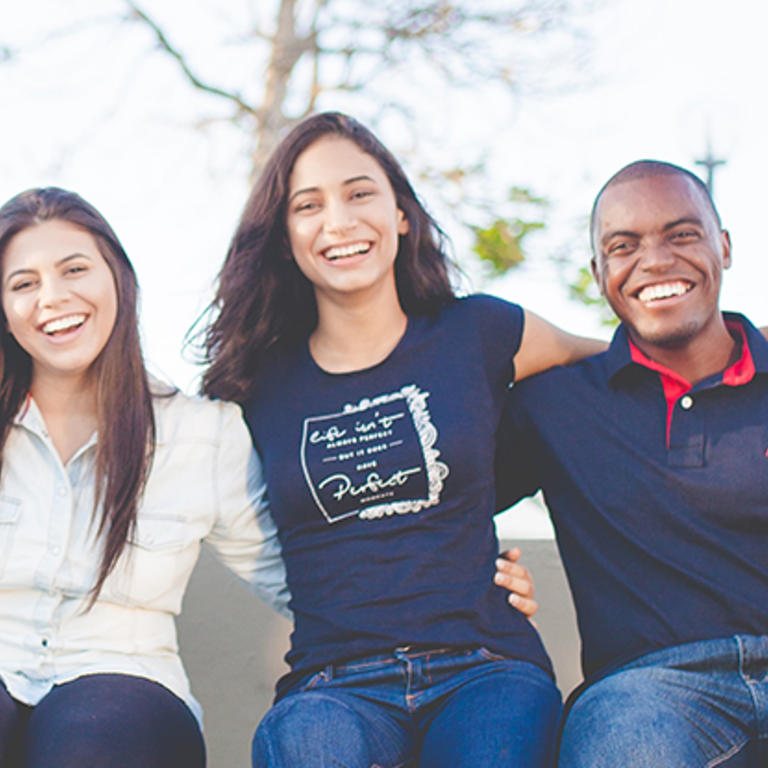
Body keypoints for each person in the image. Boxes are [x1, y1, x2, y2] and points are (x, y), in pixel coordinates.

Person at [199, 111, 605, 768]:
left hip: (486, 666)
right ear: (285, 237)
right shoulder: (255, 383)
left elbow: (626, 370)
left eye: (360, 193)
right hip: (331, 685)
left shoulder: (480, 332)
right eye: (309, 205)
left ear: (402, 214)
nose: (339, 220)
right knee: (303, 747)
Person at [0, 187, 292, 768]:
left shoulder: (203, 434)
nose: (52, 297)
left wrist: (463, 588)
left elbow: (299, 578)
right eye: (23, 283)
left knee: (97, 736)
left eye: (74, 269)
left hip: (124, 681)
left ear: (118, 279)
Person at [494, 160, 768, 766]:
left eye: (682, 234)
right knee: (624, 741)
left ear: (723, 246)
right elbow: (433, 501)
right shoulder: (554, 402)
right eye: (624, 246)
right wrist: (484, 573)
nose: (656, 260)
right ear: (599, 273)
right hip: (650, 690)